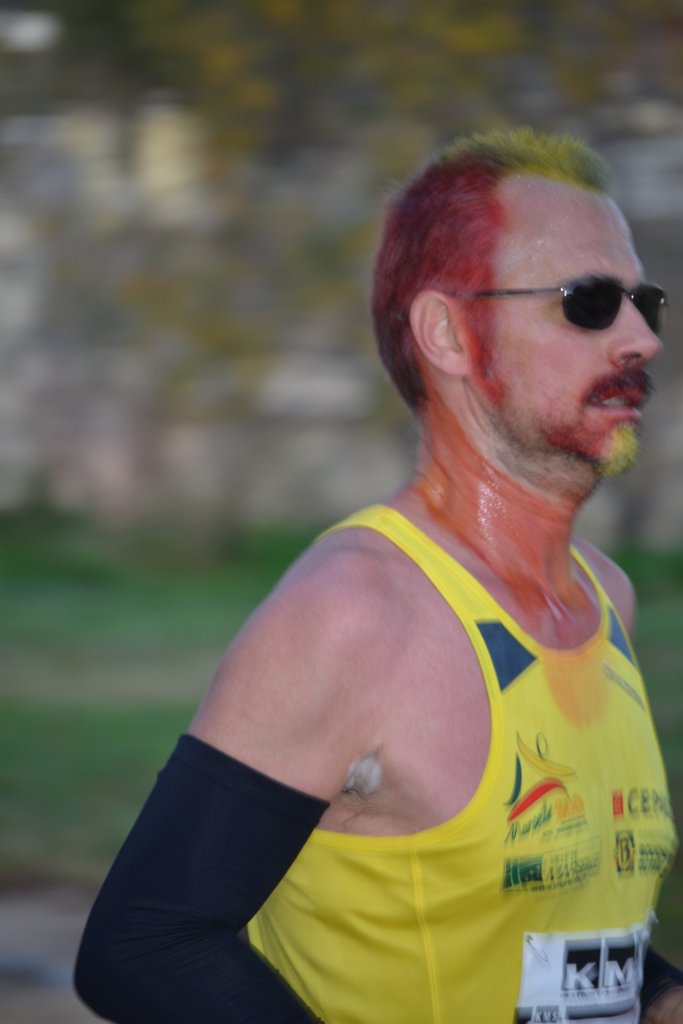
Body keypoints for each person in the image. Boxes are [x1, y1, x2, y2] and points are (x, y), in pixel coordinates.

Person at [75, 127, 683, 1023]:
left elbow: (558, 933)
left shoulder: (605, 599)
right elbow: (145, 942)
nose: (640, 338)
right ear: (447, 333)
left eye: (645, 302)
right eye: (588, 301)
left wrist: (660, 996)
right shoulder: (355, 614)